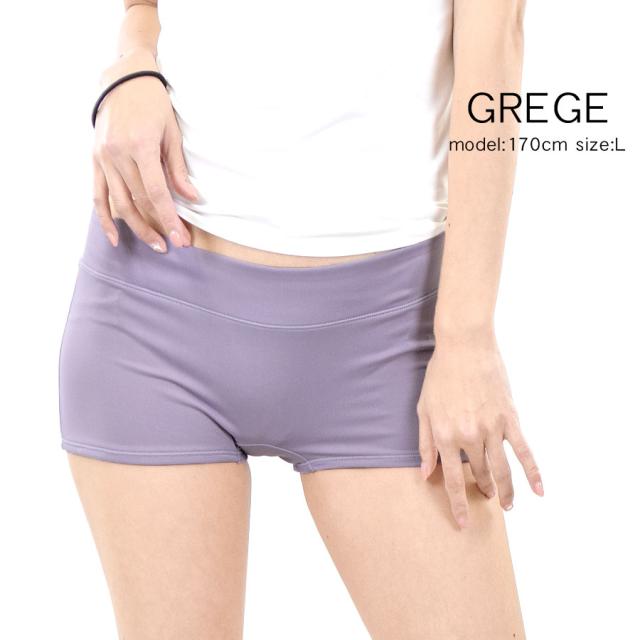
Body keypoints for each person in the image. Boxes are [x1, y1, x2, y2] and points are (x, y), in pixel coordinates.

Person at [59, 1, 544, 637]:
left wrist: (466, 339)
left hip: (389, 342)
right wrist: (132, 66)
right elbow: (143, 6)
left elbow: (495, 54)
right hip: (154, 306)